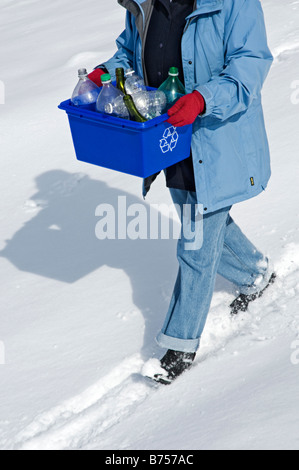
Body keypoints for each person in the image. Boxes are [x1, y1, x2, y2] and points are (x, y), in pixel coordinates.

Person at [89, 0, 275, 384]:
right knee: (205, 223)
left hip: (217, 141)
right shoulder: (145, 5)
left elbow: (250, 63)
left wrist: (203, 99)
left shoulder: (234, 4)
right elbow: (128, 52)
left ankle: (179, 345)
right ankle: (255, 274)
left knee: (195, 244)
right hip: (169, 140)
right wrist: (104, 74)